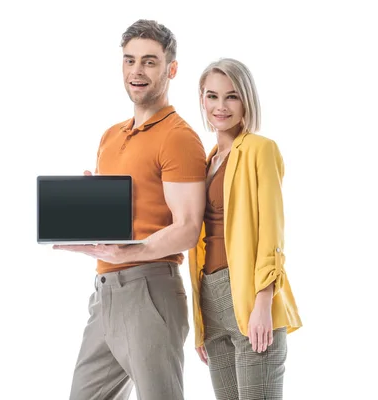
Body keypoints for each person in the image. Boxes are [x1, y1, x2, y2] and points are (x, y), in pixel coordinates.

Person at [54, 19, 207, 400]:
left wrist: (132, 251)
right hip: (105, 292)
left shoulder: (179, 138)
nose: (137, 71)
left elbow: (187, 227)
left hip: (149, 289)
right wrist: (88, 209)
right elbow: (129, 216)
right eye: (130, 60)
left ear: (171, 69)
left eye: (150, 62)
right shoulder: (111, 135)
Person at [188, 58, 303, 400]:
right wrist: (200, 325)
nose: (220, 106)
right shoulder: (207, 161)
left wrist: (263, 302)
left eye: (231, 96)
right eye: (212, 96)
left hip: (251, 299)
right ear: (202, 99)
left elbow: (272, 230)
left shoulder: (259, 149)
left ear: (246, 100)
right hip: (210, 302)